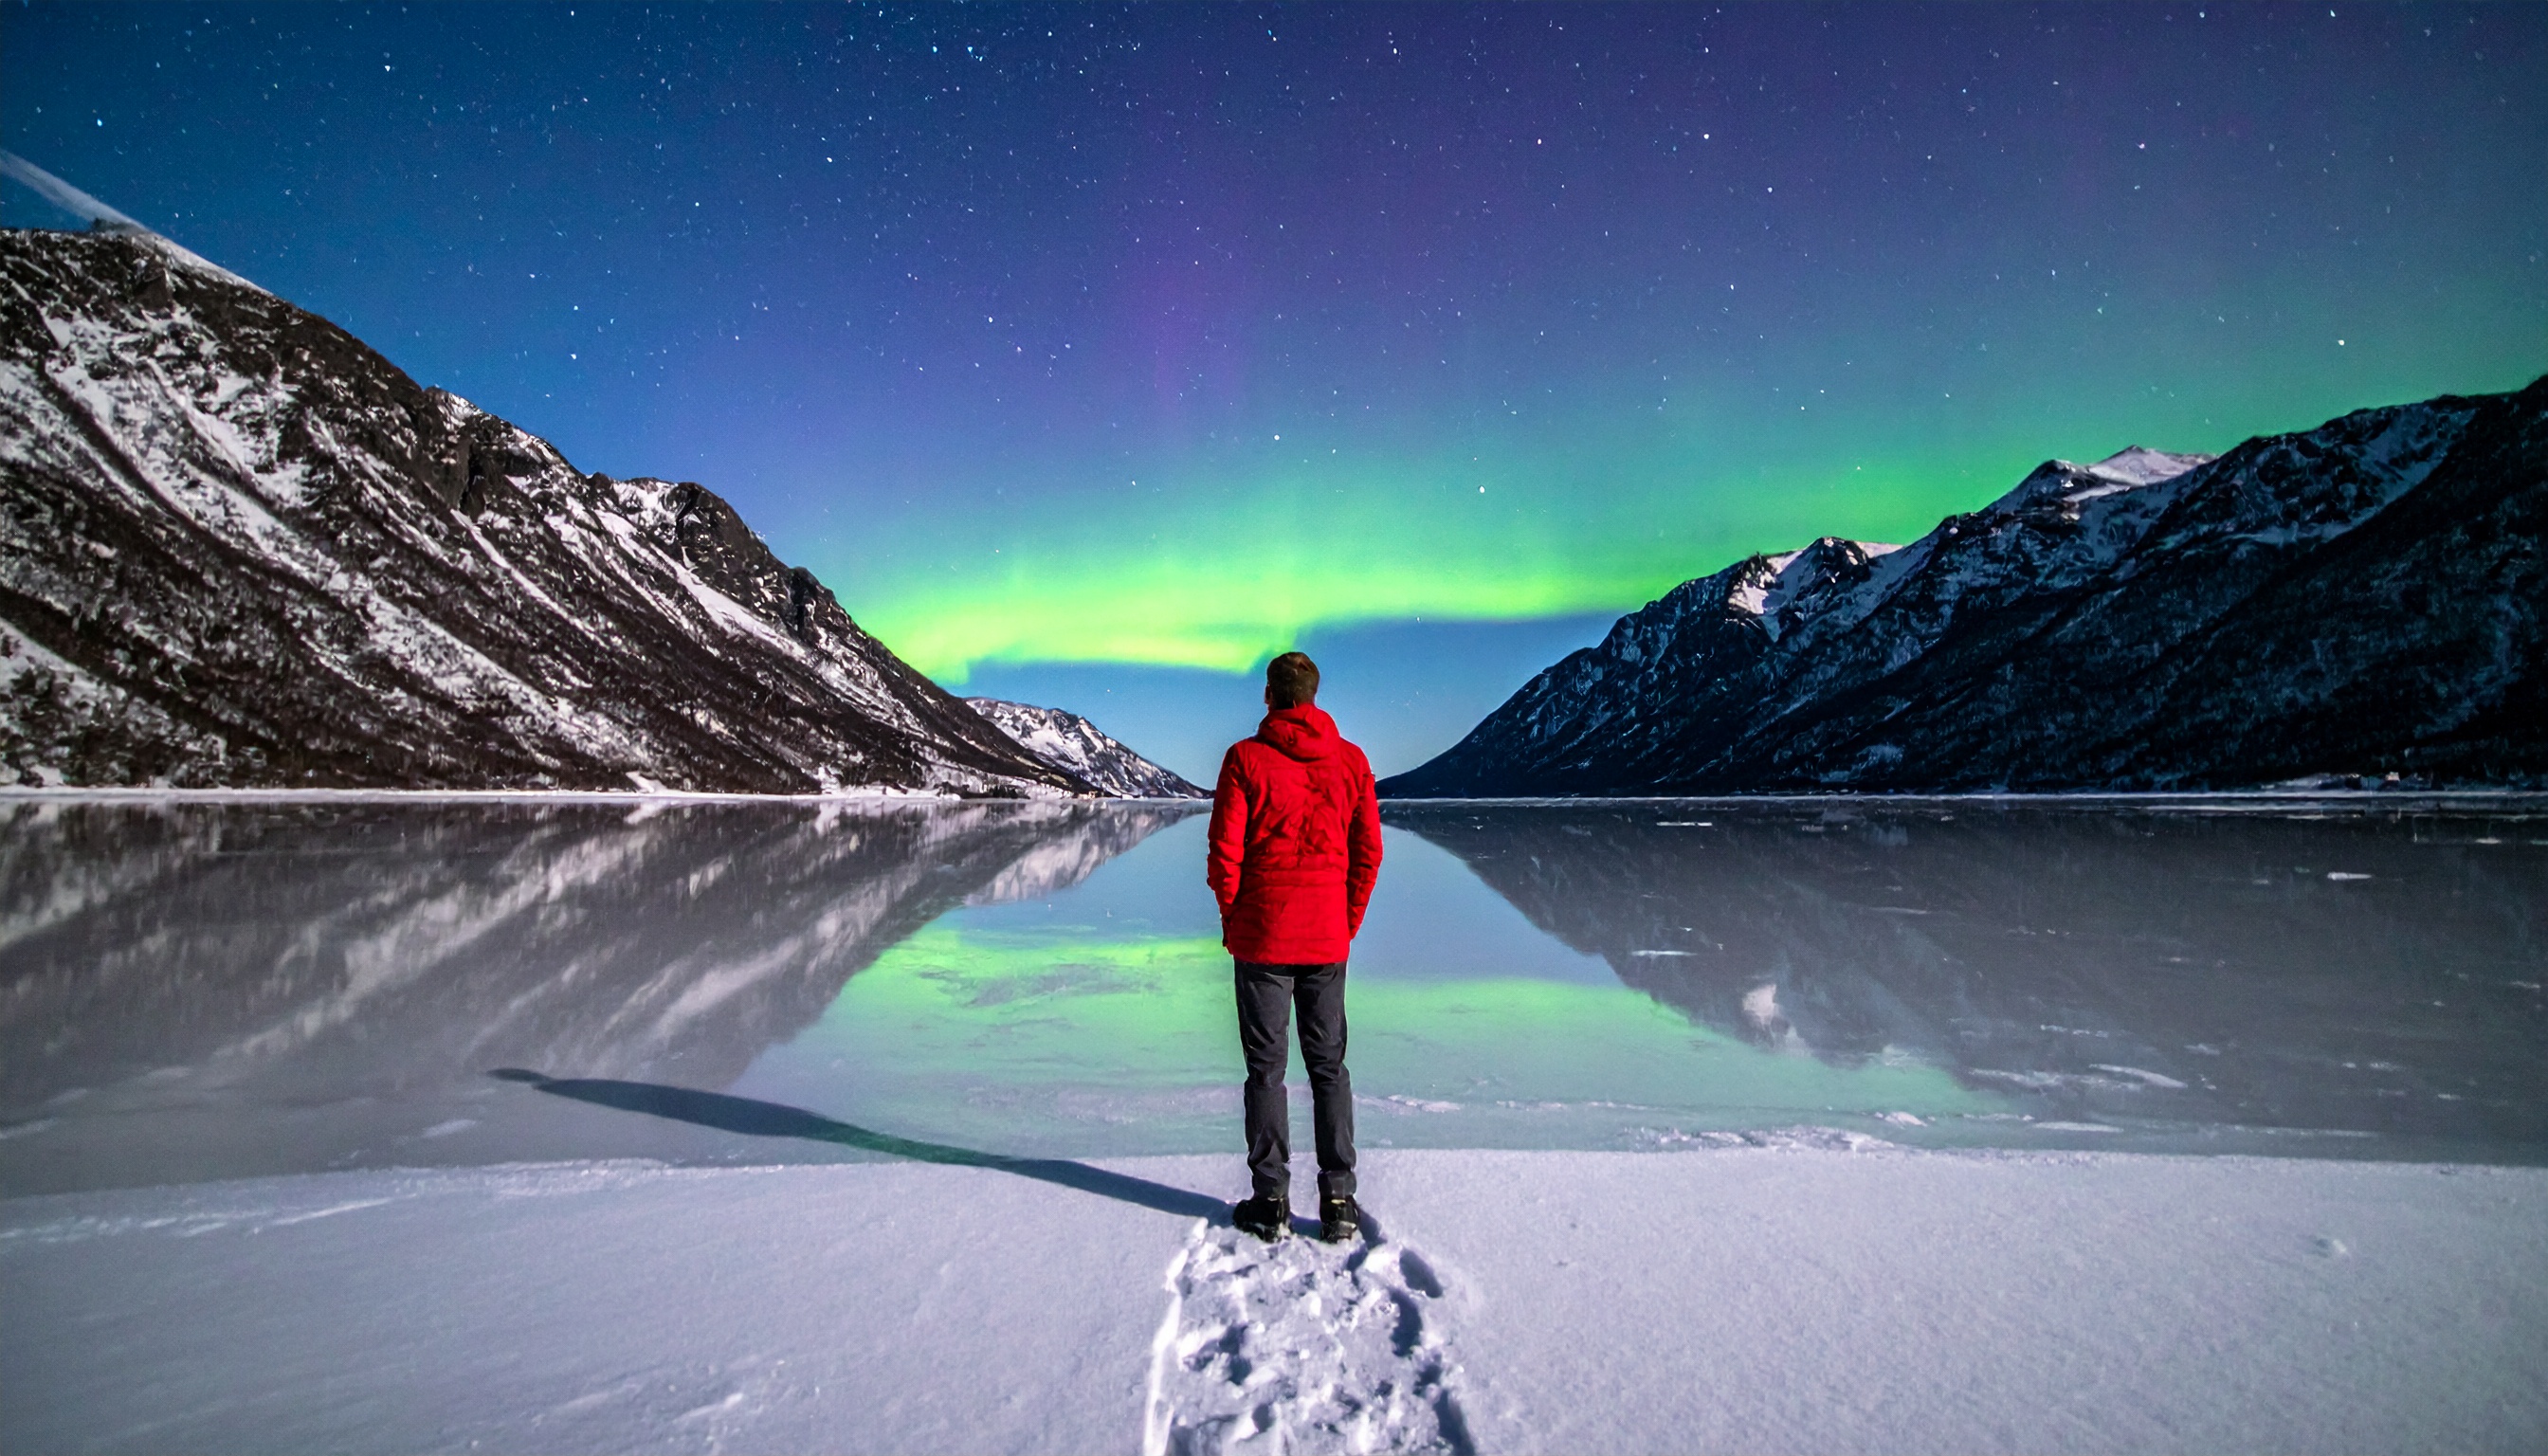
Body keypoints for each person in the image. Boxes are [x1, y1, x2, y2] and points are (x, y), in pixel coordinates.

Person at [1206, 650, 1383, 1244]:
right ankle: (1339, 1202)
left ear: (1269, 695)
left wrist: (1235, 918)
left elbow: (1225, 853)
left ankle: (1271, 1201)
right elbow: (1368, 853)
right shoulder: (1352, 761)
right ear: (1313, 696)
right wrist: (1345, 920)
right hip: (1326, 937)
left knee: (1266, 1071)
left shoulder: (1244, 759)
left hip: (1263, 937)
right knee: (1329, 1067)